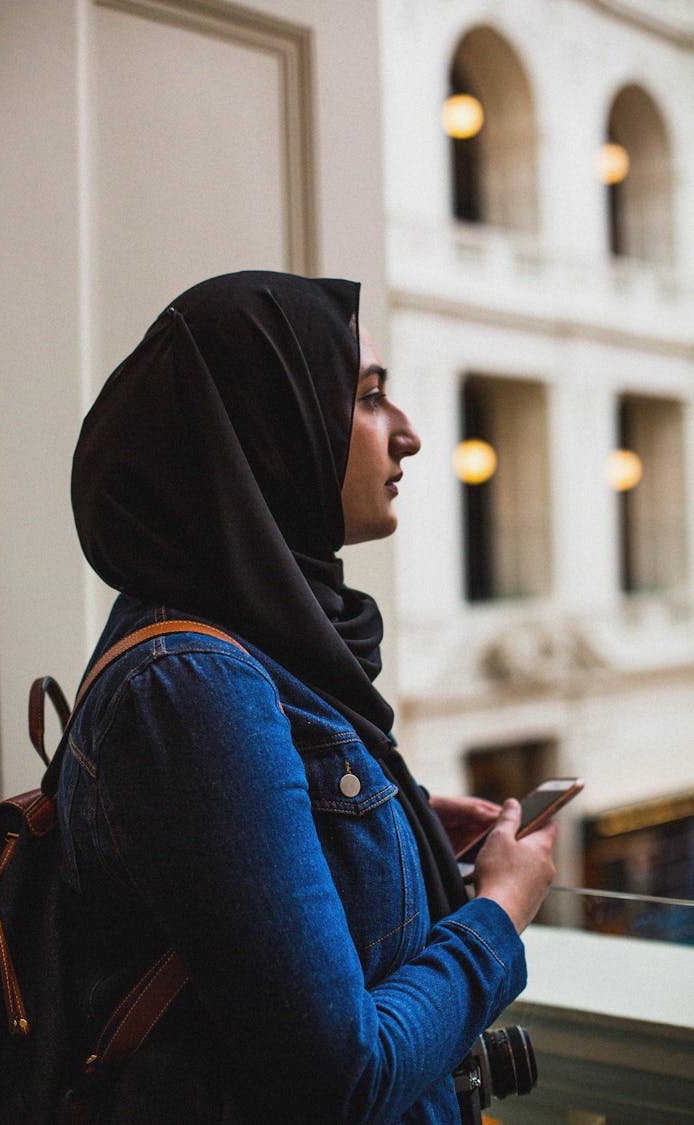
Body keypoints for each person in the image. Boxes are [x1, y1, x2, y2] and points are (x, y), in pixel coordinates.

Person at [65, 270, 557, 1123]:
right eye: (369, 398)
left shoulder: (236, 644)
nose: (406, 434)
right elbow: (342, 1076)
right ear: (269, 429)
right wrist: (501, 913)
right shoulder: (191, 686)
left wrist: (386, 836)